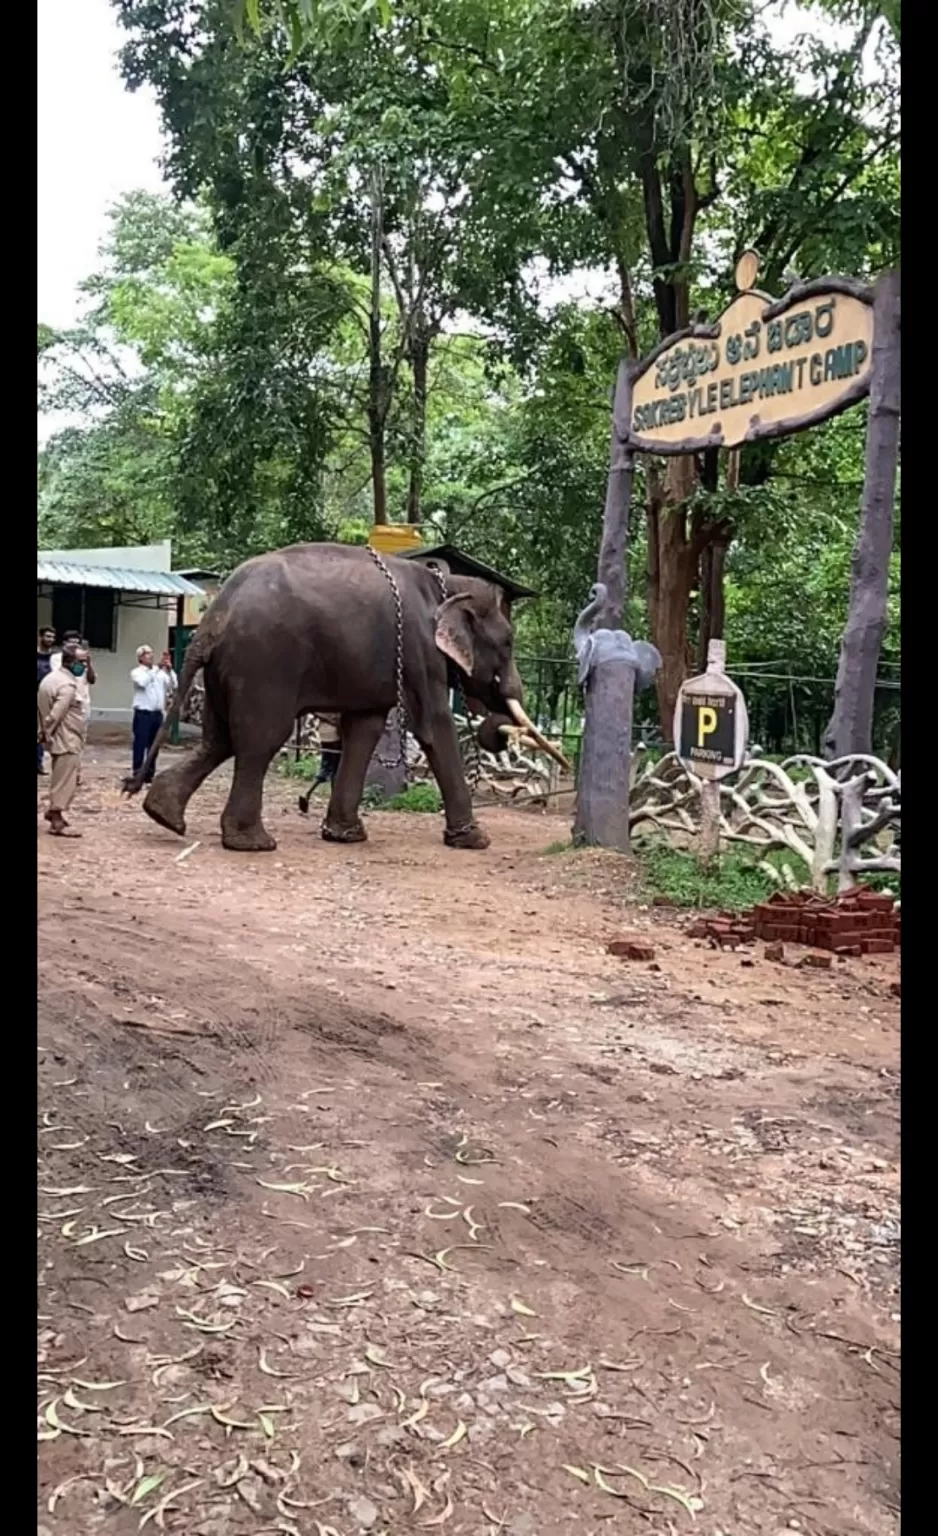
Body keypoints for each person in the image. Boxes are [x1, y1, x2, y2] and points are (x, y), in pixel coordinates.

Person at [37, 641, 91, 836]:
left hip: (62, 737)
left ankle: (53, 812)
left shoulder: (50, 679)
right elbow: (54, 715)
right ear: (70, 661)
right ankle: (57, 819)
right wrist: (46, 733)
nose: (83, 666)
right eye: (81, 662)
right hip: (66, 737)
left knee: (60, 776)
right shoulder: (66, 685)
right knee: (65, 780)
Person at [130, 645, 177, 784]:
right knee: (140, 743)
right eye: (146, 654)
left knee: (154, 745)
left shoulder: (160, 673)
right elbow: (143, 683)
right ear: (140, 658)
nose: (150, 656)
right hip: (143, 713)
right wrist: (156, 668)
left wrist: (169, 670)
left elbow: (173, 685)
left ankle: (149, 774)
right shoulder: (136, 672)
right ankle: (137, 772)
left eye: (151, 653)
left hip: (157, 714)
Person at [298, 713, 342, 815]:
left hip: (324, 735)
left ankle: (309, 793)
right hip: (334, 736)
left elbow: (315, 712)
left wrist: (325, 718)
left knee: (327, 765)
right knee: (334, 769)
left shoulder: (323, 703)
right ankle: (332, 800)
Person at [37, 627, 58, 774]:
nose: (50, 639)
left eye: (52, 637)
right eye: (47, 636)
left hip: (49, 698)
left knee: (45, 730)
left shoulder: (55, 659)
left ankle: (40, 763)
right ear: (41, 637)